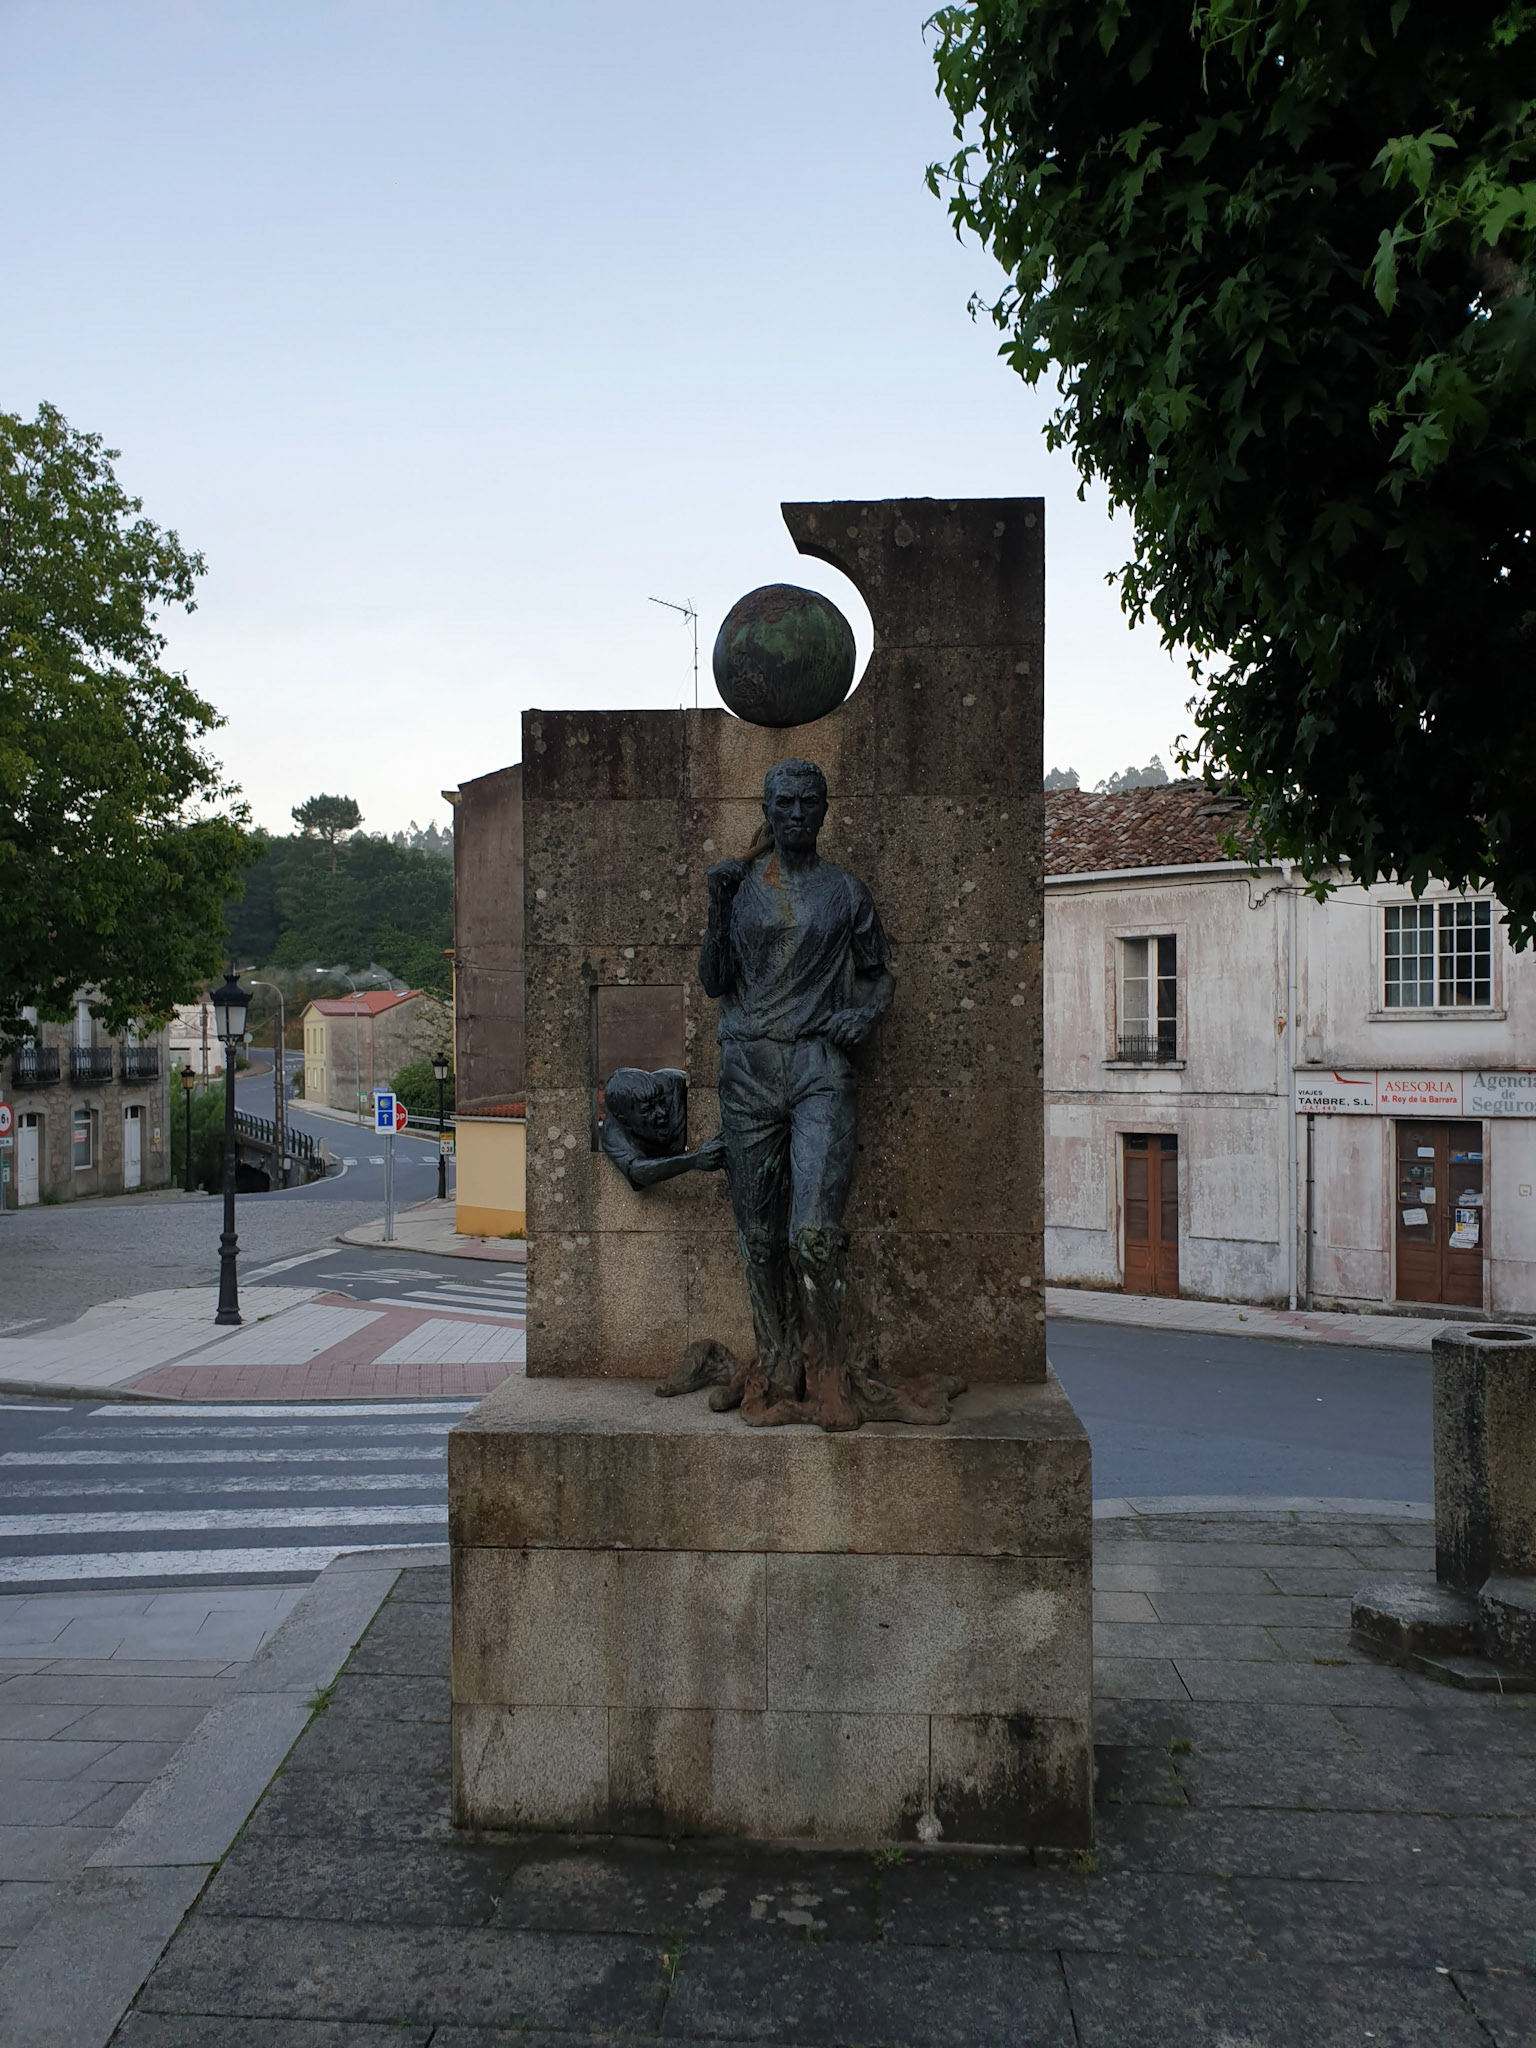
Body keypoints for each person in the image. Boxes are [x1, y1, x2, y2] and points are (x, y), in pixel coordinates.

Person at [698, 758, 893, 1429]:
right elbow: (714, 981)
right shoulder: (739, 888)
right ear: (767, 810)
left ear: (824, 810)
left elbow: (879, 974)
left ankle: (829, 1368)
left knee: (811, 1236)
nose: (797, 813)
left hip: (818, 1069)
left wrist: (862, 1015)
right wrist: (717, 906)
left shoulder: (845, 892)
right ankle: (780, 1364)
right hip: (747, 1069)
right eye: (785, 802)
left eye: (809, 802)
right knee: (758, 1238)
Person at [599, 1067, 725, 1190]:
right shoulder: (613, 1134)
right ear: (624, 1119)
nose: (662, 1112)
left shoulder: (673, 1082)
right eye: (648, 1109)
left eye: (662, 1101)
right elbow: (637, 1172)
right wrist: (694, 1161)